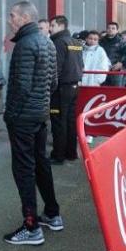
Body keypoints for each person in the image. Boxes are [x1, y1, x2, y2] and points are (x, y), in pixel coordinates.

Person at [3, 1, 62, 246]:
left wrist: (11, 114)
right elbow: (53, 83)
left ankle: (31, 227)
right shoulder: (47, 42)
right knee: (41, 163)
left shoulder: (26, 44)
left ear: (26, 17)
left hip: (24, 118)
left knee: (24, 170)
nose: (9, 19)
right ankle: (52, 214)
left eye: (12, 15)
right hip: (40, 115)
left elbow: (21, 87)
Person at [48, 15, 83, 164]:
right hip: (74, 86)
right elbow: (81, 65)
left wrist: (50, 89)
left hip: (60, 89)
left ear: (61, 26)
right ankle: (71, 153)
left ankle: (58, 155)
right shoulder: (76, 42)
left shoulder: (58, 42)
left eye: (52, 25)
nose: (50, 28)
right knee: (69, 121)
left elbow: (56, 69)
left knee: (59, 122)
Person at [99, 21, 126, 86]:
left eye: (113, 28)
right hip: (102, 71)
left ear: (117, 30)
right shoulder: (100, 41)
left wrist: (122, 63)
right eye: (109, 28)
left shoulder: (122, 42)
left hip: (116, 72)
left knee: (116, 92)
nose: (110, 30)